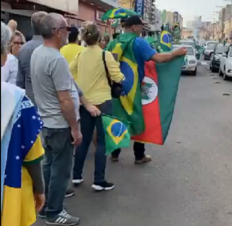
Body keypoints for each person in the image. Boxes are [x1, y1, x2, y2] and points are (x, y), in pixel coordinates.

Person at [30, 13, 99, 226]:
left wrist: (85, 103)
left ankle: (45, 207)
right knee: (60, 172)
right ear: (58, 32)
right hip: (59, 125)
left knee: (49, 167)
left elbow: (70, 87)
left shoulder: (38, 53)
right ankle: (54, 212)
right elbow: (65, 100)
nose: (69, 33)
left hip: (46, 122)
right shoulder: (55, 59)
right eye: (67, 29)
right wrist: (75, 129)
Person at [110, 15, 187, 164]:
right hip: (133, 89)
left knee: (118, 118)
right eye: (140, 27)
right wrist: (175, 54)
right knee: (138, 120)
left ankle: (114, 153)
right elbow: (159, 58)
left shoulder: (114, 42)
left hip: (116, 89)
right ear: (133, 27)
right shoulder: (138, 42)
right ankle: (139, 155)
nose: (141, 29)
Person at [70, 21, 124, 191]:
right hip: (103, 102)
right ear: (99, 37)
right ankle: (98, 180)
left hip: (84, 103)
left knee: (84, 139)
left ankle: (77, 176)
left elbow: (69, 74)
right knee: (102, 141)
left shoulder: (80, 55)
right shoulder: (105, 55)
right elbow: (117, 77)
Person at [1, 21, 45, 226]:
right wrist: (40, 189)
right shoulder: (19, 101)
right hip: (10, 189)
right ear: (3, 56)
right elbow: (33, 156)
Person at [17, 11, 48, 105]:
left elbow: (20, 81)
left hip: (30, 102)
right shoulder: (53, 48)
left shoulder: (23, 49)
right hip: (51, 105)